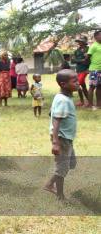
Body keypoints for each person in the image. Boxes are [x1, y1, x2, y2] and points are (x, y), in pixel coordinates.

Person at [43, 69, 78, 200]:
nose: (78, 83)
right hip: (61, 139)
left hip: (66, 138)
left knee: (70, 164)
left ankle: (49, 184)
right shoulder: (63, 100)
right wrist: (55, 142)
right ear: (63, 84)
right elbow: (56, 120)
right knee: (62, 167)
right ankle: (60, 195)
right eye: (74, 81)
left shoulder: (62, 97)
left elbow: (52, 113)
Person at [72, 37, 90, 106]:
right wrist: (82, 60)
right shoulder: (76, 51)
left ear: (84, 42)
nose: (79, 42)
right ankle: (84, 101)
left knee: (77, 84)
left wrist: (80, 60)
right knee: (83, 86)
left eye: (80, 41)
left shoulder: (88, 49)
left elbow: (88, 59)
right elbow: (73, 60)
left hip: (85, 70)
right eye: (78, 41)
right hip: (78, 70)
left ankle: (87, 101)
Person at [86, 30, 101, 110]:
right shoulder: (94, 46)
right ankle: (90, 104)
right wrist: (88, 68)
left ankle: (99, 104)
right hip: (94, 69)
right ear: (96, 37)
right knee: (92, 87)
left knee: (99, 87)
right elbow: (87, 57)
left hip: (100, 69)